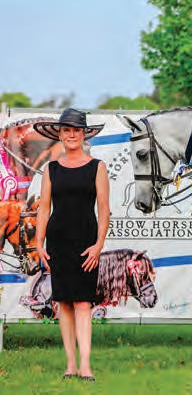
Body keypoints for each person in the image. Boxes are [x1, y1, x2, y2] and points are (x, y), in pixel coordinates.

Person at [33, 108, 110, 381]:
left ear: (84, 134)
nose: (72, 134)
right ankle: (70, 364)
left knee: (83, 303)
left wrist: (99, 245)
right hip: (58, 242)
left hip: (86, 241)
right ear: (60, 134)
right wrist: (39, 243)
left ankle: (85, 365)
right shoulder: (50, 169)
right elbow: (44, 208)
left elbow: (104, 210)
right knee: (63, 302)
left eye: (76, 130)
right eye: (67, 130)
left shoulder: (97, 167)